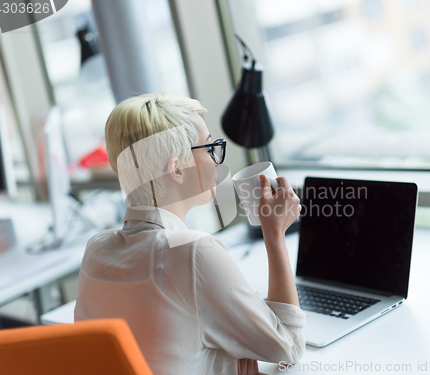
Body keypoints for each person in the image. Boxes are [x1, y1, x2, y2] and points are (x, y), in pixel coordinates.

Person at [74, 93, 305, 375]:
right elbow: (289, 348)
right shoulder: (193, 251)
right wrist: (275, 234)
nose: (216, 160)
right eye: (209, 148)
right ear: (177, 170)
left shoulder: (96, 248)